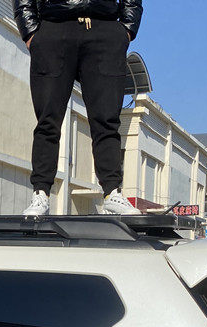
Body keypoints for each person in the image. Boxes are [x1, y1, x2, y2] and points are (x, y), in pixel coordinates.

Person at [14, 0, 144, 216]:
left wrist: (126, 29)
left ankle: (112, 192)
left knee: (107, 119)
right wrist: (30, 32)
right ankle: (40, 192)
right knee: (48, 119)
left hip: (104, 29)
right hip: (54, 28)